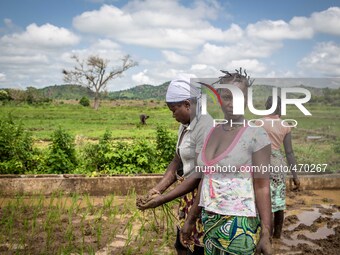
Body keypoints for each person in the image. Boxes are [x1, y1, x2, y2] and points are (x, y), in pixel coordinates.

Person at [139, 69, 273, 255]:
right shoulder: (213, 132)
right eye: (226, 96)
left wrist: (267, 232)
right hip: (210, 221)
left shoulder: (256, 135)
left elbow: (262, 187)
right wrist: (191, 219)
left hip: (240, 225)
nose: (232, 103)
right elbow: (204, 177)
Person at [137, 75, 213, 255]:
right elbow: (177, 160)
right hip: (188, 194)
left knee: (198, 248)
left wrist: (161, 200)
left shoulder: (206, 126)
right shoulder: (186, 124)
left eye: (174, 110)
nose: (173, 115)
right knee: (181, 244)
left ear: (188, 104)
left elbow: (200, 176)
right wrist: (157, 190)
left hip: (204, 198)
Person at [257, 96, 300, 239]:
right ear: (281, 108)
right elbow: (289, 152)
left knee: (264, 200)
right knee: (279, 202)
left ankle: (265, 236)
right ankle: (277, 236)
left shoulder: (259, 123)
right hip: (278, 166)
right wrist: (295, 176)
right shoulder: (285, 125)